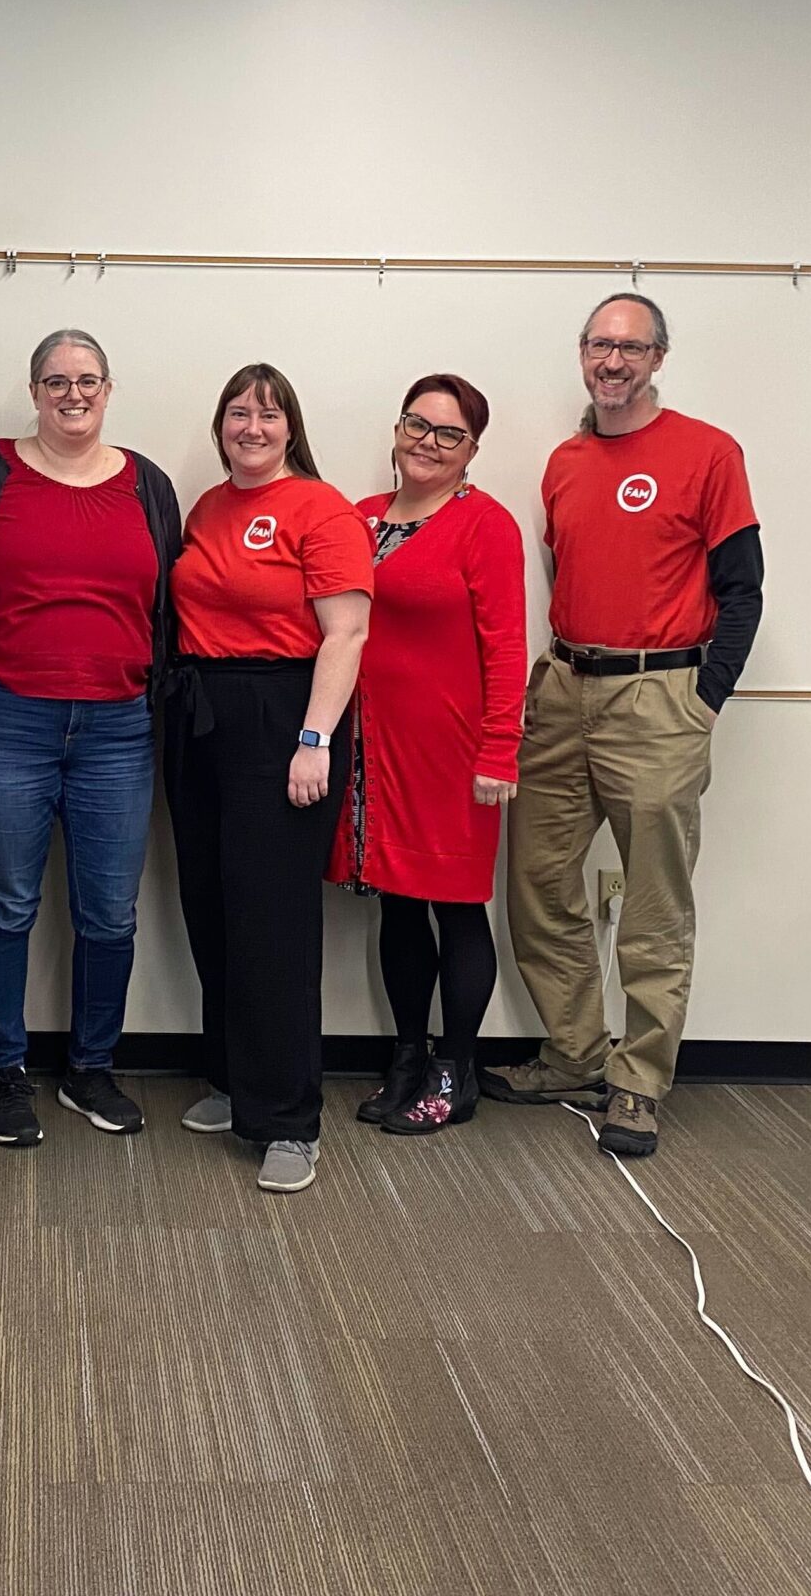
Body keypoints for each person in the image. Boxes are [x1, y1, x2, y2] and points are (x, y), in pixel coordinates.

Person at [502, 292, 763, 1160]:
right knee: (539, 884)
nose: (611, 362)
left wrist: (703, 698)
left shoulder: (708, 453)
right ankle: (575, 1052)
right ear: (582, 354)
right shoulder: (565, 462)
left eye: (630, 348)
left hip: (660, 699)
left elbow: (743, 588)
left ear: (658, 358)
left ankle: (639, 1083)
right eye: (597, 346)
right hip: (567, 688)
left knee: (655, 904)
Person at [0, 331, 183, 1148]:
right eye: (56, 381)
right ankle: (4, 1072)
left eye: (88, 381)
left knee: (109, 914)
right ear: (34, 391)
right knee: (7, 902)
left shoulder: (148, 485)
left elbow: (168, 592)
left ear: (109, 390)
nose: (73, 394)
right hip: (5, 719)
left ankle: (89, 1068)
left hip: (118, 725)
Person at [165, 365, 373, 1194]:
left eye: (268, 413)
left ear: (292, 427)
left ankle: (288, 1121)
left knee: (273, 921)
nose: (251, 426)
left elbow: (347, 634)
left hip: (287, 714)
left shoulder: (320, 509)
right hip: (200, 712)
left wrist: (314, 738)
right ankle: (233, 1081)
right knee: (211, 903)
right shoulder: (209, 507)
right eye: (238, 412)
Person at [331, 375, 527, 1136]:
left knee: (455, 902)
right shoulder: (359, 517)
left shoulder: (486, 525)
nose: (428, 442)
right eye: (418, 423)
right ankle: (407, 1057)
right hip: (373, 747)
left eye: (449, 433)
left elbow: (507, 645)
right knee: (399, 900)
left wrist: (500, 752)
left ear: (472, 450)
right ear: (397, 426)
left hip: (455, 751)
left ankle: (457, 1067)